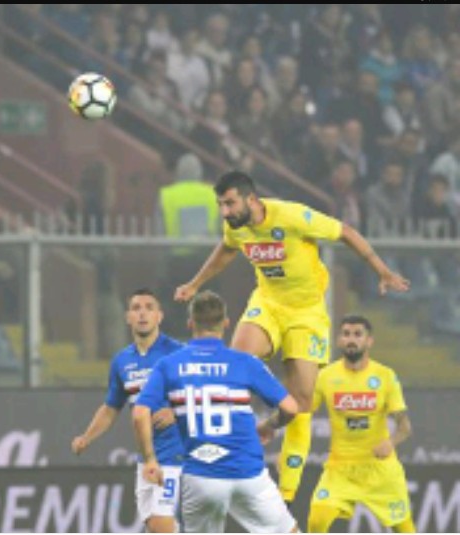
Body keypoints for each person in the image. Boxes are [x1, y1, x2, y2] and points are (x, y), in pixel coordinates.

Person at [174, 171, 410, 504]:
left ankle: (284, 485)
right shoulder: (237, 226)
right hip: (268, 304)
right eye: (220, 205)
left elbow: (345, 231)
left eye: (229, 203)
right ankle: (226, 453)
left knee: (301, 403)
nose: (225, 212)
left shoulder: (293, 216)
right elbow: (227, 250)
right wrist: (195, 284)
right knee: (233, 369)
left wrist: (381, 270)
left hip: (307, 313)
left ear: (250, 200)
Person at [133, 290, 299, 533]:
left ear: (190, 324)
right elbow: (290, 408)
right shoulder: (246, 362)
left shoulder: (169, 365)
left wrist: (149, 459)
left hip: (202, 476)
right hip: (248, 474)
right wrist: (268, 425)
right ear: (226, 323)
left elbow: (139, 413)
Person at [70, 288, 185, 533]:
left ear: (159, 316)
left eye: (149, 308)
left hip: (177, 453)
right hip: (146, 457)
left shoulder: (177, 353)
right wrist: (87, 437)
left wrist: (177, 412)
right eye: (136, 308)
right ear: (127, 317)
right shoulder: (122, 361)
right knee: (155, 526)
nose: (142, 313)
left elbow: (205, 392)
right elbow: (112, 407)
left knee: (161, 525)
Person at [307, 315, 415, 533]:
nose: (351, 340)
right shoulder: (326, 376)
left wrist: (390, 442)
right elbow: (303, 414)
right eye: (346, 334)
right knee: (316, 521)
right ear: (339, 340)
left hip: (380, 470)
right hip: (340, 469)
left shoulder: (385, 376)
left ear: (369, 341)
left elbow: (405, 427)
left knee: (404, 529)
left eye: (357, 334)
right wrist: (288, 447)